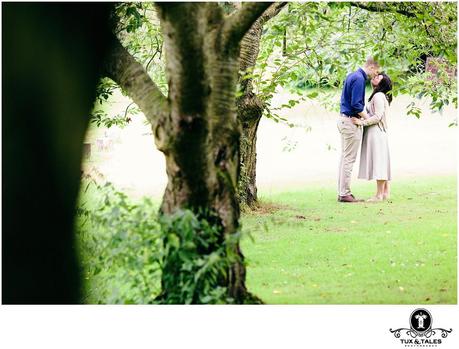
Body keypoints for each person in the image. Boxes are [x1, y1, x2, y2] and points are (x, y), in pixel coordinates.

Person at [337, 57, 380, 203]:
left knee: (345, 158)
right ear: (372, 67)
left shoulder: (352, 75)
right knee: (349, 159)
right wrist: (368, 119)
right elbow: (356, 105)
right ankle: (344, 193)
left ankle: (342, 192)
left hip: (344, 119)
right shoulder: (359, 79)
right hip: (350, 121)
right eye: (376, 72)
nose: (375, 75)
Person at [352, 73, 393, 201]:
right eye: (375, 76)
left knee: (379, 163)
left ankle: (379, 195)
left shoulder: (378, 96)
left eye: (378, 78)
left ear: (382, 84)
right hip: (377, 132)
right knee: (381, 161)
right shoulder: (377, 95)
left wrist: (362, 122)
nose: (374, 78)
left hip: (376, 132)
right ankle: (385, 193)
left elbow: (378, 116)